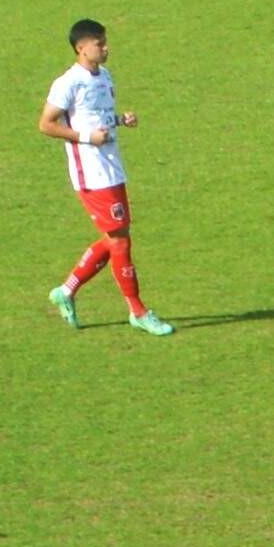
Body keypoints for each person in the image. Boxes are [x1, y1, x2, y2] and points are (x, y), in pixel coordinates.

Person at [41, 17, 176, 335]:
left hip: (112, 166)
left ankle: (67, 291)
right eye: (99, 43)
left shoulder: (105, 77)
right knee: (120, 240)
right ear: (81, 47)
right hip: (91, 172)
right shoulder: (67, 83)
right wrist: (88, 139)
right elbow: (46, 124)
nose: (106, 47)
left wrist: (119, 119)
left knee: (115, 235)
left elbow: (96, 117)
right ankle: (137, 310)